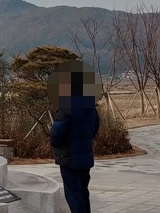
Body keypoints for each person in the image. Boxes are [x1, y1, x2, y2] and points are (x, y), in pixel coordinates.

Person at [49, 60, 101, 213]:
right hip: (85, 156)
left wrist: (56, 143)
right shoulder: (90, 105)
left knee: (73, 194)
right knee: (83, 192)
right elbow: (94, 128)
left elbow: (57, 134)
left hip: (69, 157)